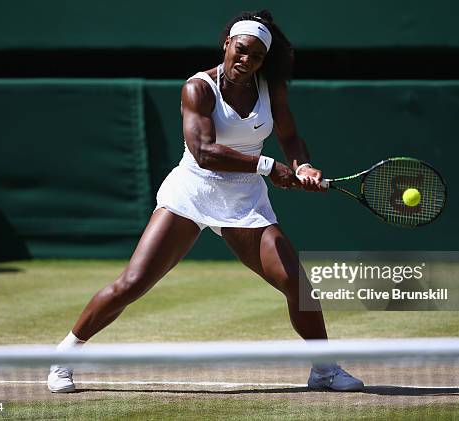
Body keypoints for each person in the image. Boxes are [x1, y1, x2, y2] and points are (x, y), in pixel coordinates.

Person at [48, 9, 363, 393]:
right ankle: (63, 356)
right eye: (241, 50)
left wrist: (304, 165)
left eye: (257, 56)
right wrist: (269, 167)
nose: (246, 61)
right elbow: (204, 152)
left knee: (298, 286)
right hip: (193, 191)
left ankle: (325, 370)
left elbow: (290, 135)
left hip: (244, 201)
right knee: (131, 284)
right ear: (227, 43)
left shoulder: (270, 86)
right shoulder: (197, 88)